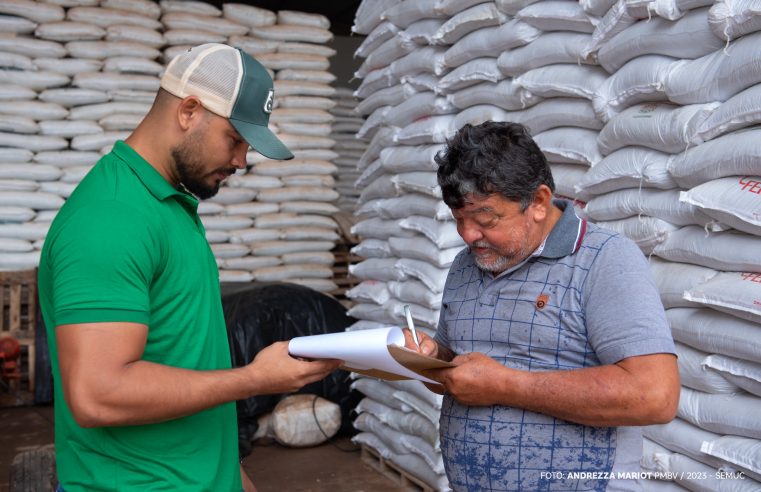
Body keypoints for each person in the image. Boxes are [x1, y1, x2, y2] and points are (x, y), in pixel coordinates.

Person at [38, 43, 341, 492]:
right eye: (235, 139)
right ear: (189, 111)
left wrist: (228, 472)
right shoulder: (110, 218)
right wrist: (255, 379)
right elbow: (98, 396)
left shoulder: (171, 206)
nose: (241, 161)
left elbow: (181, 356)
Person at [403, 121, 679, 491]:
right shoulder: (466, 266)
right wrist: (433, 356)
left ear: (538, 201)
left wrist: (506, 385)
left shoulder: (604, 260)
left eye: (485, 218)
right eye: (459, 220)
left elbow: (655, 396)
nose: (468, 234)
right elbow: (462, 375)